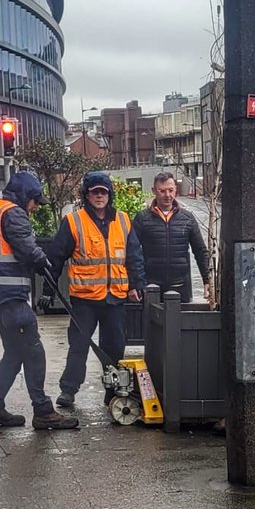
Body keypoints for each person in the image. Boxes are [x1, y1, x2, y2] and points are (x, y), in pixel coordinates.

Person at [0, 171, 78, 430]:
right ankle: (43, 411)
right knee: (34, 352)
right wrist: (43, 260)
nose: (34, 207)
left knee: (14, 352)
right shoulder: (13, 212)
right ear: (24, 196)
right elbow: (26, 248)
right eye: (34, 200)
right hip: (10, 297)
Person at [44, 171, 145, 410]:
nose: (99, 196)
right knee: (78, 345)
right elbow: (55, 258)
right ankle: (68, 390)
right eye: (95, 192)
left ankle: (113, 392)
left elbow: (134, 256)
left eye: (103, 192)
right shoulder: (73, 221)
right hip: (85, 300)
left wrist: (136, 285)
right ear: (86, 195)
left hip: (115, 298)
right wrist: (48, 291)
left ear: (109, 195)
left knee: (114, 347)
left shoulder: (123, 220)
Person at [130, 171, 210, 303]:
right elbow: (132, 252)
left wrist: (207, 280)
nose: (167, 195)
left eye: (171, 190)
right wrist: (133, 284)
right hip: (150, 288)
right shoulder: (142, 219)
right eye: (162, 191)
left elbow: (200, 251)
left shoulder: (187, 218)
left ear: (175, 190)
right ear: (154, 191)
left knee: (180, 323)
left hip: (180, 287)